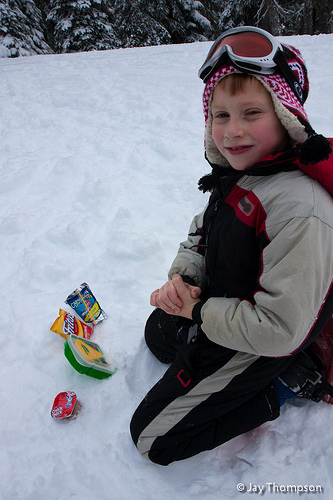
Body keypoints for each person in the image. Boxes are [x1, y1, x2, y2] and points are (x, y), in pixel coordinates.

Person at [130, 26, 333, 466]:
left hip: (266, 340)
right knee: (158, 332)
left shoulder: (301, 208)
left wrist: (198, 312)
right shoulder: (246, 172)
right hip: (232, 305)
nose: (233, 131)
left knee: (152, 438)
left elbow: (280, 328)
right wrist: (183, 280)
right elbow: (204, 229)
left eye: (251, 112)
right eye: (220, 115)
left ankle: (279, 385)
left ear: (286, 114)